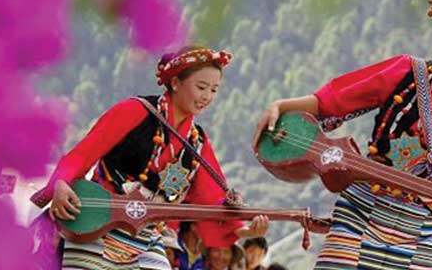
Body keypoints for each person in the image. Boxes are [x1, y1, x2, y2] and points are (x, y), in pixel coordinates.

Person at [255, 0, 432, 269]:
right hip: (362, 206)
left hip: (425, 222)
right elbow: (334, 99)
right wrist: (282, 106)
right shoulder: (406, 71)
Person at [36, 45, 269, 270]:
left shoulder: (197, 142)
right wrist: (61, 183)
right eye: (201, 87)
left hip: (146, 234)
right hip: (97, 221)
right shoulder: (134, 110)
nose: (207, 96)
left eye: (214, 90)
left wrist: (244, 231)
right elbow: (85, 152)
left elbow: (212, 198)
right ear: (176, 83)